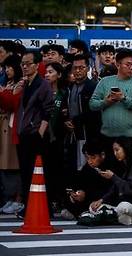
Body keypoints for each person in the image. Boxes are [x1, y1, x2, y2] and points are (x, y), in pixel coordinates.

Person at [89, 48, 132, 159]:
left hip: (131, 136)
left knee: (131, 169)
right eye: (128, 64)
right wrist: (106, 102)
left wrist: (123, 98)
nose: (131, 67)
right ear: (117, 64)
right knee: (110, 168)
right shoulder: (105, 81)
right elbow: (92, 104)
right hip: (107, 135)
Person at [16, 51, 54, 211]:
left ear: (37, 65)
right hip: (24, 134)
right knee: (25, 172)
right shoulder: (25, 84)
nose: (24, 66)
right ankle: (28, 205)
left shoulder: (43, 84)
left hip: (36, 135)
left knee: (38, 172)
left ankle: (42, 206)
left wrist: (40, 132)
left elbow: (48, 110)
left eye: (28, 63)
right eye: (22, 63)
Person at [90, 138, 132, 225]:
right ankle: (131, 219)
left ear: (125, 149)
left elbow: (130, 189)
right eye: (114, 151)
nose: (115, 153)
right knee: (93, 207)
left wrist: (113, 177)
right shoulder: (125, 166)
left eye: (117, 150)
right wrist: (101, 200)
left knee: (123, 206)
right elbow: (115, 189)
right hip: (126, 208)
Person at [66, 54, 101, 171]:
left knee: (86, 165)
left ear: (88, 68)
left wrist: (75, 121)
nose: (77, 71)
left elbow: (94, 111)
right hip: (71, 133)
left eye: (81, 67)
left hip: (88, 133)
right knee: (73, 164)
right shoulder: (70, 87)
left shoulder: (93, 87)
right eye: (75, 68)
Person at [61, 140, 113, 219]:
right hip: (88, 201)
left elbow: (112, 190)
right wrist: (78, 194)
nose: (90, 162)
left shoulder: (110, 167)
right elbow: (79, 183)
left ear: (102, 155)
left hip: (103, 199)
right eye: (87, 158)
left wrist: (100, 199)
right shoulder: (86, 169)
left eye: (93, 158)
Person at [42, 62, 70, 209]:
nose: (47, 74)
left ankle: (58, 199)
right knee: (45, 170)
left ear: (59, 75)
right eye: (46, 72)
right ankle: (47, 200)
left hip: (59, 138)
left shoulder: (64, 93)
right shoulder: (41, 92)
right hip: (43, 137)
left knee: (58, 170)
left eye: (51, 72)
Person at [0, 55, 24, 214]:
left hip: (12, 126)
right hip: (3, 125)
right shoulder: (7, 84)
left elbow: (12, 103)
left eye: (9, 67)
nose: (7, 70)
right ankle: (8, 198)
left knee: (13, 163)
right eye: (5, 68)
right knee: (4, 164)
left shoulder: (21, 84)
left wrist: (2, 93)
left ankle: (17, 198)